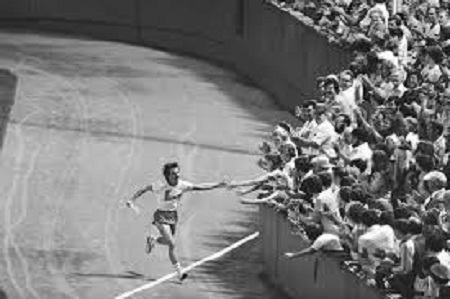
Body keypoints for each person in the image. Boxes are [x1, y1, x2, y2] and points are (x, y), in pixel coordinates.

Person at [125, 162, 227, 281]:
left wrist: (218, 185)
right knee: (172, 244)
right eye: (174, 173)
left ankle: (153, 240)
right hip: (160, 216)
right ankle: (180, 273)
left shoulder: (182, 185)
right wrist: (131, 200)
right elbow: (144, 189)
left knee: (168, 243)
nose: (177, 175)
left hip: (173, 217)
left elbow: (200, 186)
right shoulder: (160, 185)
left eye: (178, 172)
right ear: (168, 175)